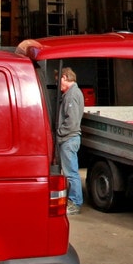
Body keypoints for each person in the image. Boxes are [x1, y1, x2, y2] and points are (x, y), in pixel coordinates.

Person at [52, 66, 84, 215]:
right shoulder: (71, 94)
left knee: (71, 173)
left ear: (65, 77)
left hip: (68, 139)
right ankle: (73, 201)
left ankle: (75, 203)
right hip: (69, 138)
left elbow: (71, 122)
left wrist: (58, 133)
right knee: (70, 172)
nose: (59, 85)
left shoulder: (72, 95)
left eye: (59, 81)